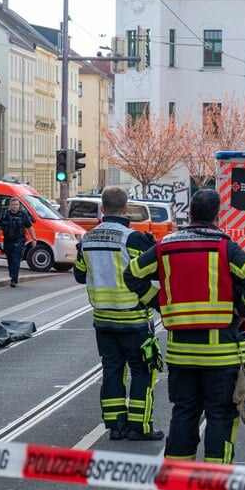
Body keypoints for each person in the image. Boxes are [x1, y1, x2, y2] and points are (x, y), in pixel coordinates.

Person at [125, 189, 245, 490]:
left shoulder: (165, 246)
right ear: (217, 215)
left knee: (184, 413)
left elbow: (132, 273)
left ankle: (178, 486)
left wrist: (159, 304)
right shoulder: (225, 247)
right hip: (219, 354)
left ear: (189, 213)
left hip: (180, 353)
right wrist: (243, 311)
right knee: (220, 416)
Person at [74, 186, 163, 442]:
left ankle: (115, 425)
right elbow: (153, 271)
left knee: (112, 370)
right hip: (134, 319)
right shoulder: (133, 239)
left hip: (103, 320)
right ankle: (140, 426)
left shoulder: (87, 239)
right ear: (126, 209)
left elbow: (80, 275)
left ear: (102, 209)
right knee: (144, 371)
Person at [0, 197, 36, 287]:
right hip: (8, 241)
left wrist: (34, 239)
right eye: (13, 205)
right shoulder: (5, 214)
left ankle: (14, 280)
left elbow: (30, 227)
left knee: (15, 261)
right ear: (10, 205)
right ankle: (12, 275)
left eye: (16, 205)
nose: (15, 206)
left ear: (19, 206)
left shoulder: (23, 215)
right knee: (10, 260)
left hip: (19, 242)